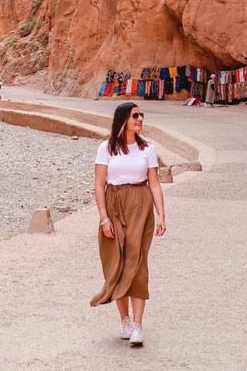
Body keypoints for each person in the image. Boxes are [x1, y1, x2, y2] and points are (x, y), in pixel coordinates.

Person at [90, 102, 166, 347]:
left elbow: (154, 183)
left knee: (138, 261)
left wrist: (161, 215)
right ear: (123, 119)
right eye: (135, 115)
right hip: (114, 204)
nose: (140, 119)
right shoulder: (106, 148)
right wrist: (104, 217)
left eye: (141, 115)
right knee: (117, 262)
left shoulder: (147, 149)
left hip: (140, 206)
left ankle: (137, 325)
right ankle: (124, 320)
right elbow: (99, 184)